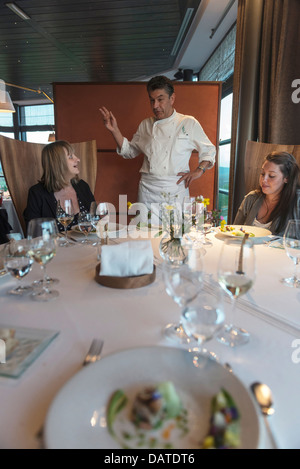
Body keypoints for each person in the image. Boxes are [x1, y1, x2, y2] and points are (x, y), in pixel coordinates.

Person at [100, 75, 215, 210]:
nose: (155, 106)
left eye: (160, 100)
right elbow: (130, 151)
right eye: (152, 100)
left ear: (172, 99)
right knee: (144, 230)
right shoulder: (145, 125)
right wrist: (115, 130)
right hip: (148, 191)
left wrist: (199, 170)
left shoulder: (188, 122)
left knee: (177, 230)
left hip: (176, 189)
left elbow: (209, 150)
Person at [23, 140, 95, 231]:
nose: (78, 159)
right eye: (71, 156)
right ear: (57, 163)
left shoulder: (82, 186)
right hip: (54, 245)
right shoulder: (36, 193)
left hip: (86, 244)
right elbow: (34, 232)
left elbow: (95, 221)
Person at [234, 151, 300, 236]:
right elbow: (234, 233)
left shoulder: (297, 202)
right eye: (262, 173)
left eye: (271, 176)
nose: (264, 180)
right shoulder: (251, 198)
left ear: (286, 178)